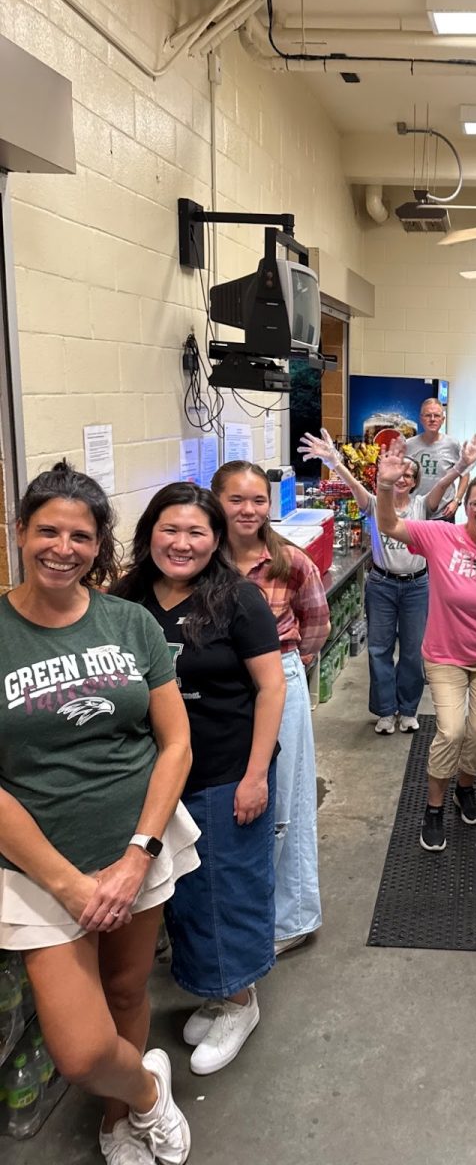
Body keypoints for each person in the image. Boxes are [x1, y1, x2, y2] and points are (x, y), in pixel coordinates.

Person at [0, 462, 196, 1165]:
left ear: (99, 546)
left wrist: (139, 852)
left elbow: (174, 744)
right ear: (19, 532)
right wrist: (69, 883)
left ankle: (119, 1121)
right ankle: (147, 1090)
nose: (63, 547)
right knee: (80, 1050)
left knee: (125, 988)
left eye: (80, 536)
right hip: (37, 870)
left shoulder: (130, 622)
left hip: (133, 848)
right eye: (47, 530)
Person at [114, 484, 286, 1077]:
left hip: (223, 770)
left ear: (214, 540)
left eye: (196, 532)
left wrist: (256, 775)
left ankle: (240, 1000)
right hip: (157, 776)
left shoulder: (237, 598)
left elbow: (272, 687)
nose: (181, 543)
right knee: (182, 896)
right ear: (149, 532)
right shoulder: (127, 597)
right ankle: (217, 992)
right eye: (170, 529)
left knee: (226, 889)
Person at [210, 460, 330, 958]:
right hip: (219, 685)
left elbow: (315, 625)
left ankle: (292, 918)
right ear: (216, 500)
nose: (248, 509)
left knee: (287, 798)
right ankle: (236, 911)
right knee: (231, 794)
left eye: (258, 500)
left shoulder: (288, 562)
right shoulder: (202, 558)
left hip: (278, 677)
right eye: (236, 499)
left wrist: (284, 671)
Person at [375, 439, 476, 851]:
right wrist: (385, 488)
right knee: (452, 731)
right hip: (445, 655)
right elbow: (388, 526)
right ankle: (434, 807)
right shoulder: (440, 536)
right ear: (465, 505)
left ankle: (465, 788)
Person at [298, 428, 476, 735]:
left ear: (413, 482)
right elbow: (352, 483)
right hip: (382, 585)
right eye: (399, 473)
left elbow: (442, 483)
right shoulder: (374, 502)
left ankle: (408, 708)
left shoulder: (422, 505)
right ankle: (385, 710)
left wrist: (462, 466)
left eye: (409, 475)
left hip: (417, 586)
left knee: (412, 651)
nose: (403, 479)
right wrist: (333, 461)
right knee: (379, 650)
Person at [404, 397, 467, 520]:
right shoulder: (408, 445)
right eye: (428, 415)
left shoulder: (452, 444)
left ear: (443, 419)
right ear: (421, 419)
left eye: (437, 416)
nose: (432, 419)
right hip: (415, 513)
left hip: (443, 514)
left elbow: (465, 474)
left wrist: (457, 501)